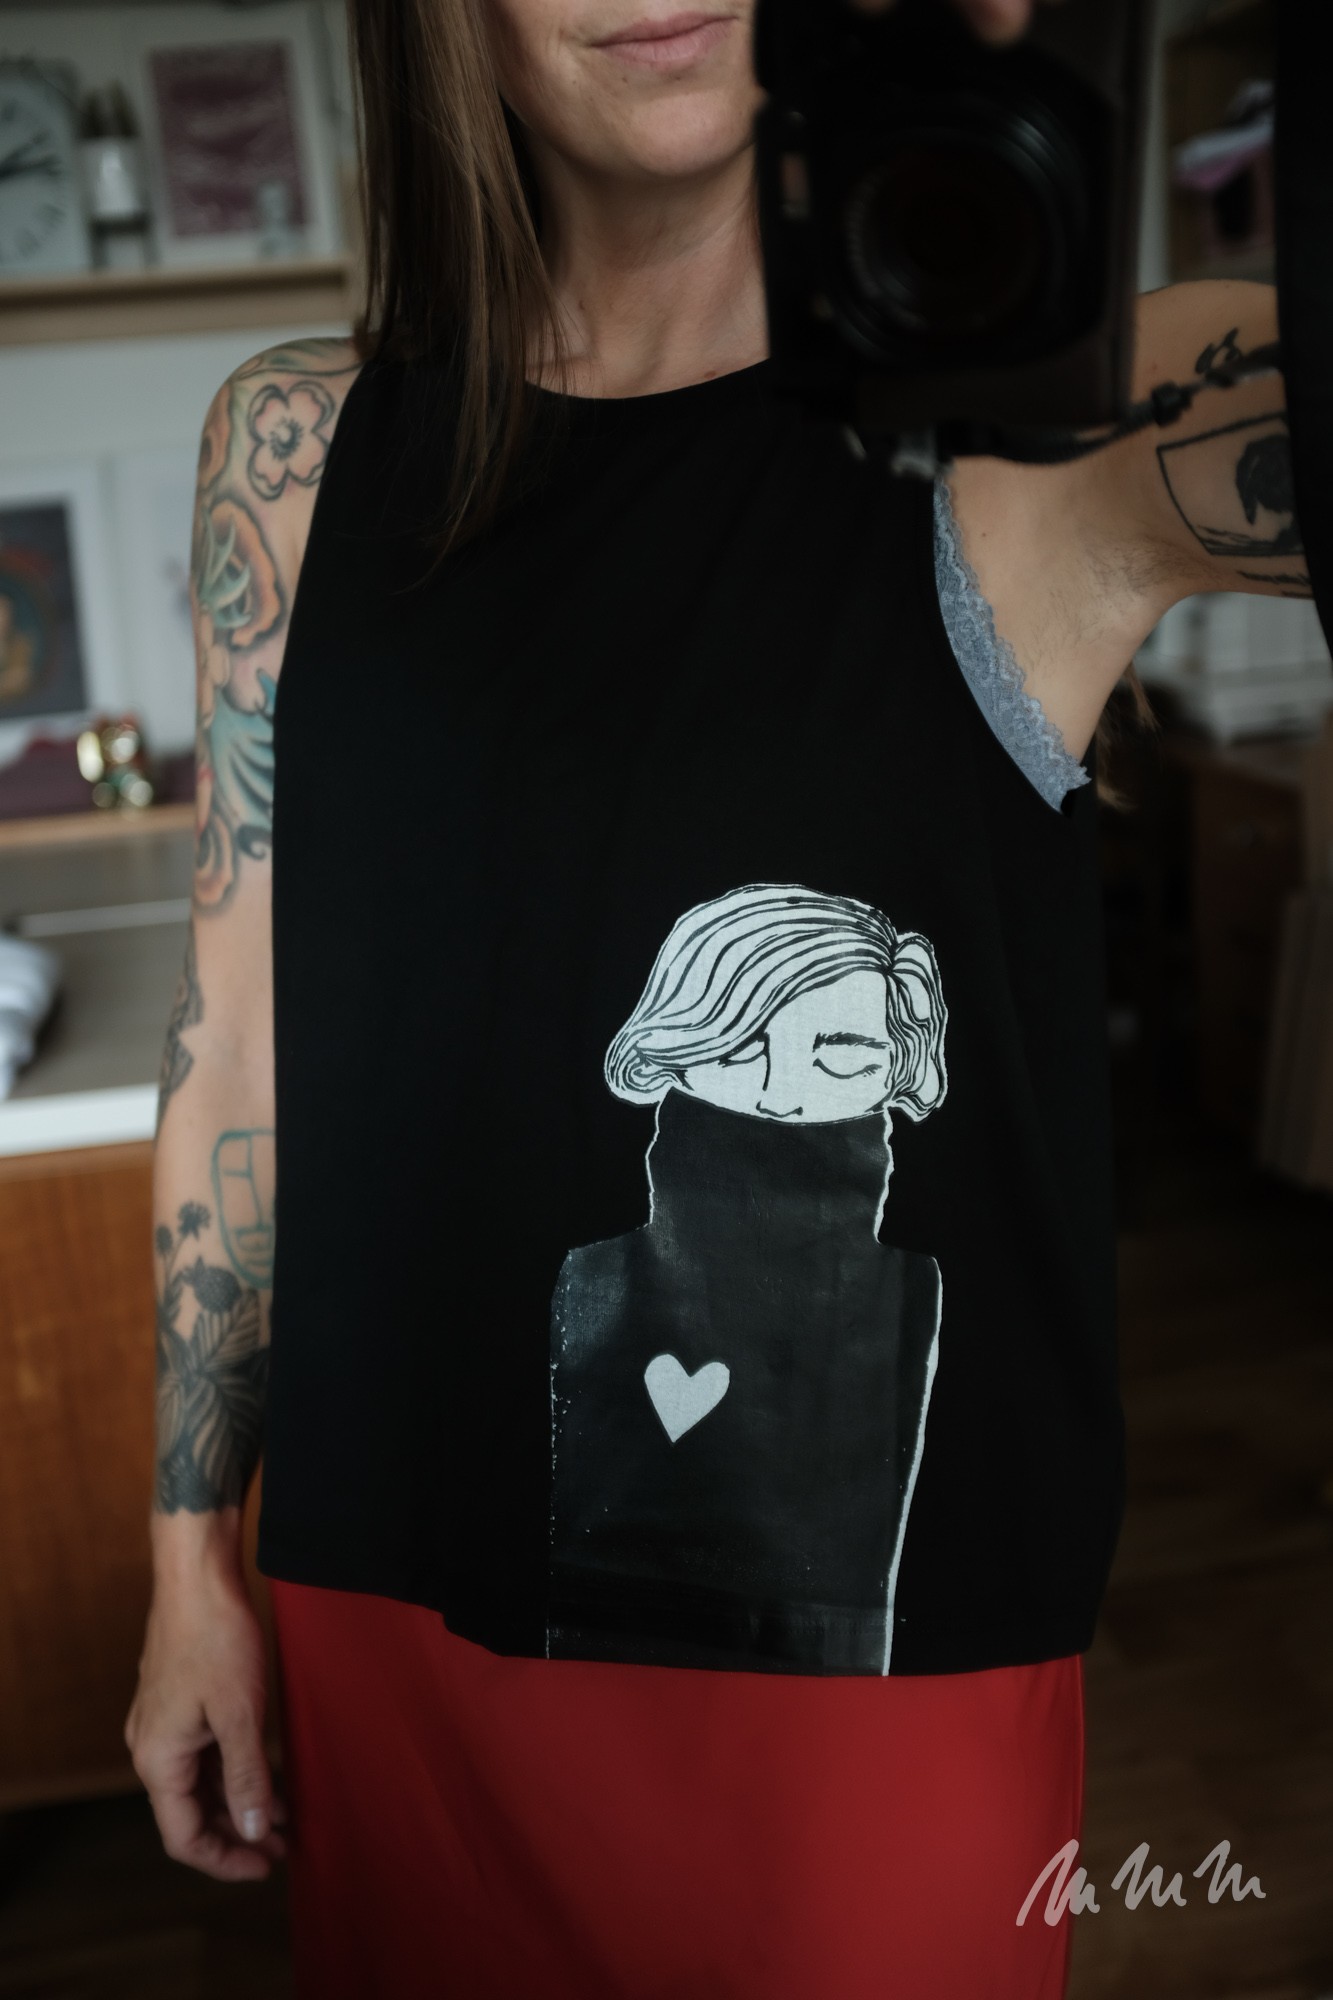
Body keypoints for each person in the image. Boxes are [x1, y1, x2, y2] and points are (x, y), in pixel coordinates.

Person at [123, 0, 1309, 1988]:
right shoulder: (295, 452)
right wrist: (188, 1565)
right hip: (391, 1613)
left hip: (861, 1689)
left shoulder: (1041, 429)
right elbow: (239, 1046)